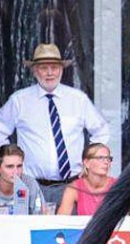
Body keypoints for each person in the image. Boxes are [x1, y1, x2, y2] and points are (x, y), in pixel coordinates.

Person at [0, 43, 109, 206]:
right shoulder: (19, 101)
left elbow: (101, 131)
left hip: (72, 185)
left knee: (71, 230)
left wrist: (90, 161)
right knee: (30, 230)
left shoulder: (78, 99)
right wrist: (11, 162)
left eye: (54, 67)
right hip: (31, 186)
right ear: (35, 70)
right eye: (43, 68)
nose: (50, 73)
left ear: (61, 70)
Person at [57, 143, 117, 215]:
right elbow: (61, 219)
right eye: (100, 158)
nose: (106, 162)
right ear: (86, 163)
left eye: (108, 158)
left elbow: (127, 220)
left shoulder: (118, 186)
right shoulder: (74, 188)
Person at [0, 144, 46, 214]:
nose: (16, 172)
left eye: (19, 166)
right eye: (10, 166)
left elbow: (42, 216)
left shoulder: (30, 184)